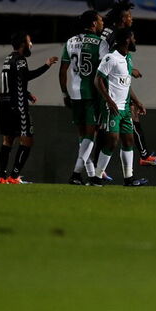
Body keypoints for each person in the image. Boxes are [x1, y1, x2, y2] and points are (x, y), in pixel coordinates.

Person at [102, 0, 156, 167]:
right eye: (129, 15)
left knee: (130, 118)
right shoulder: (113, 35)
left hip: (112, 84)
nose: (132, 18)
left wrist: (130, 70)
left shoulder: (114, 34)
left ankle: (141, 157)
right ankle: (96, 169)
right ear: (123, 18)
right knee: (107, 131)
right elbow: (107, 62)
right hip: (106, 87)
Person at [0, 32, 58, 183]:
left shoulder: (8, 59)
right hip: (17, 106)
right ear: (23, 44)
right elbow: (27, 76)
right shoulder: (20, 59)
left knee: (7, 140)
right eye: (30, 41)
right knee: (27, 141)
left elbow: (14, 81)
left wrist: (28, 93)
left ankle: (2, 177)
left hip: (4, 104)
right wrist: (47, 65)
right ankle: (14, 176)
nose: (31, 44)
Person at [94, 28, 148, 187]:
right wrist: (109, 101)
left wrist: (137, 102)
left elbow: (126, 84)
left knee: (129, 140)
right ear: (126, 40)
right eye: (133, 38)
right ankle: (97, 177)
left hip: (125, 108)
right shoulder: (110, 58)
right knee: (112, 141)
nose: (135, 41)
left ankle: (129, 179)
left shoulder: (128, 59)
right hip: (112, 107)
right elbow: (98, 80)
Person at [59, 10, 104, 185]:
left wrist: (65, 93)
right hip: (92, 94)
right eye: (100, 20)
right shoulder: (100, 43)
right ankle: (76, 173)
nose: (102, 23)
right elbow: (102, 73)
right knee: (90, 135)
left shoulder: (70, 42)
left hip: (74, 93)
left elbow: (62, 72)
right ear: (93, 23)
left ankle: (91, 176)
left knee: (82, 137)